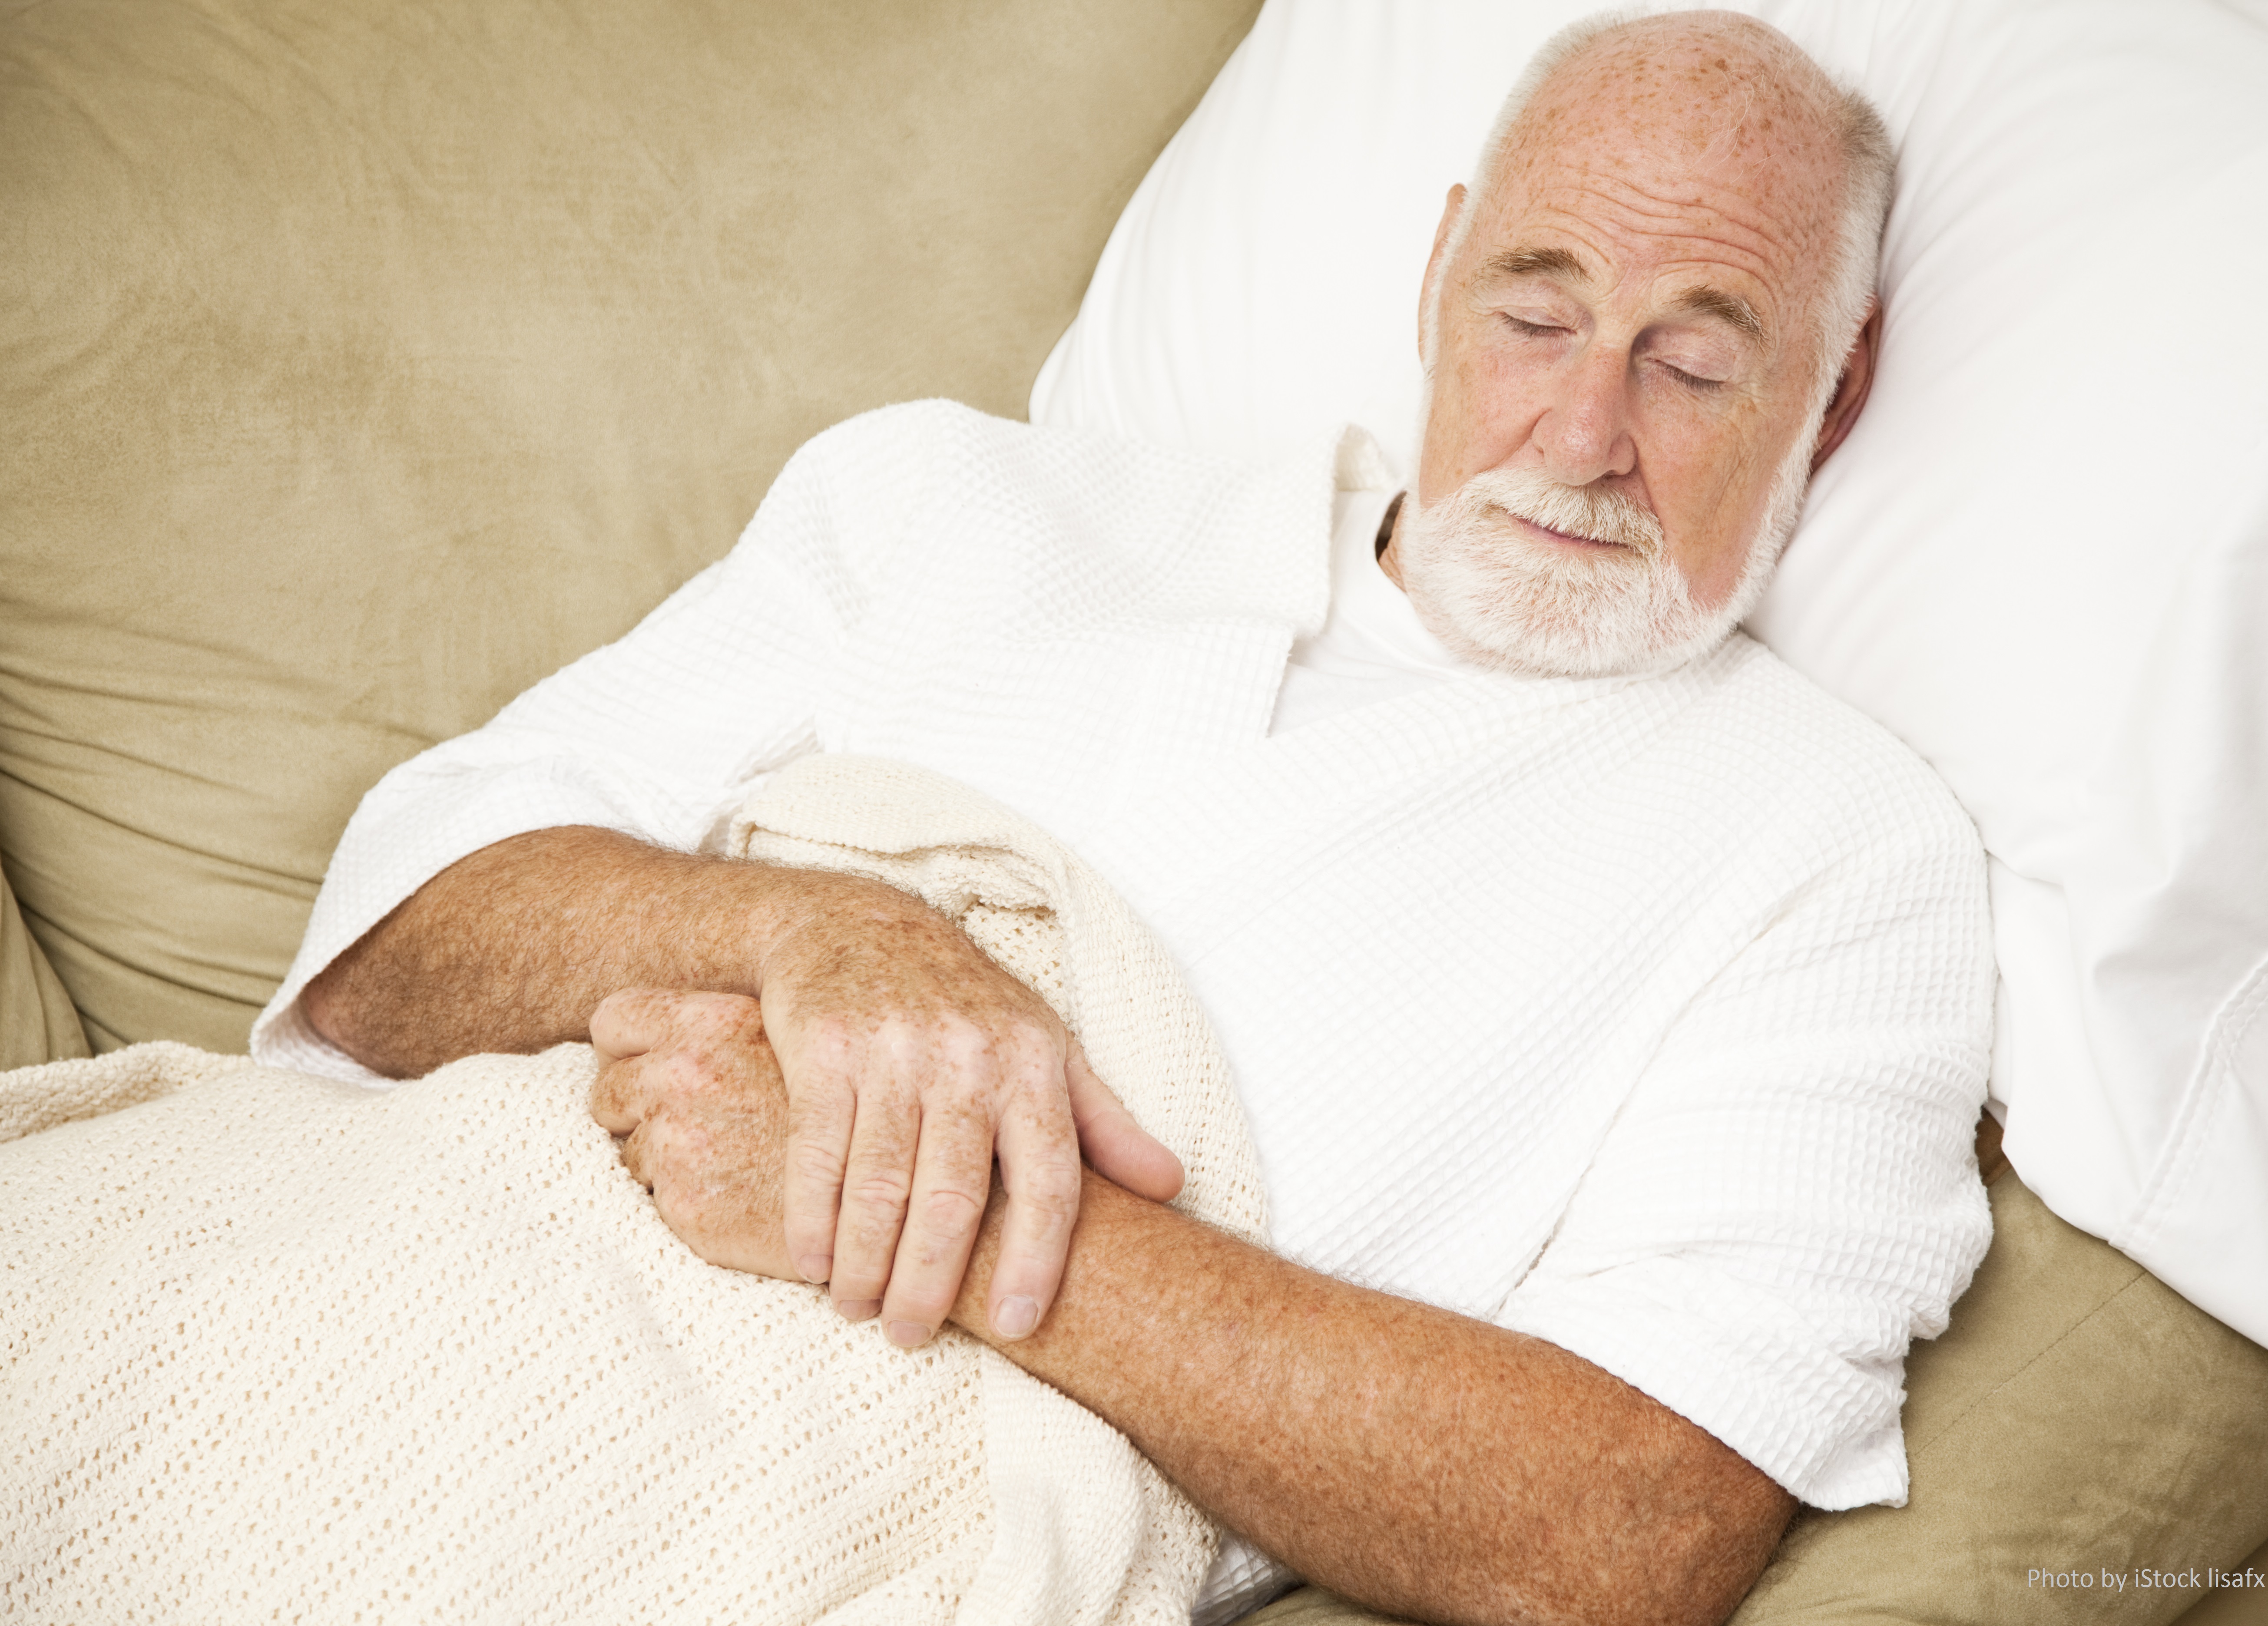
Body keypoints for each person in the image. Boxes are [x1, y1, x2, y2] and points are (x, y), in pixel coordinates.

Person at [258, 12, 1994, 1626]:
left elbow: (1632, 1522)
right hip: (339, 1266)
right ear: (1437, 275)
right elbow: (384, 945)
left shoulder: (1838, 850)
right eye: (1534, 318)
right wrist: (810, 937)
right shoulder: (957, 497)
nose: (1585, 428)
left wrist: (925, 1199)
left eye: (1694, 365)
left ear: (1836, 393)